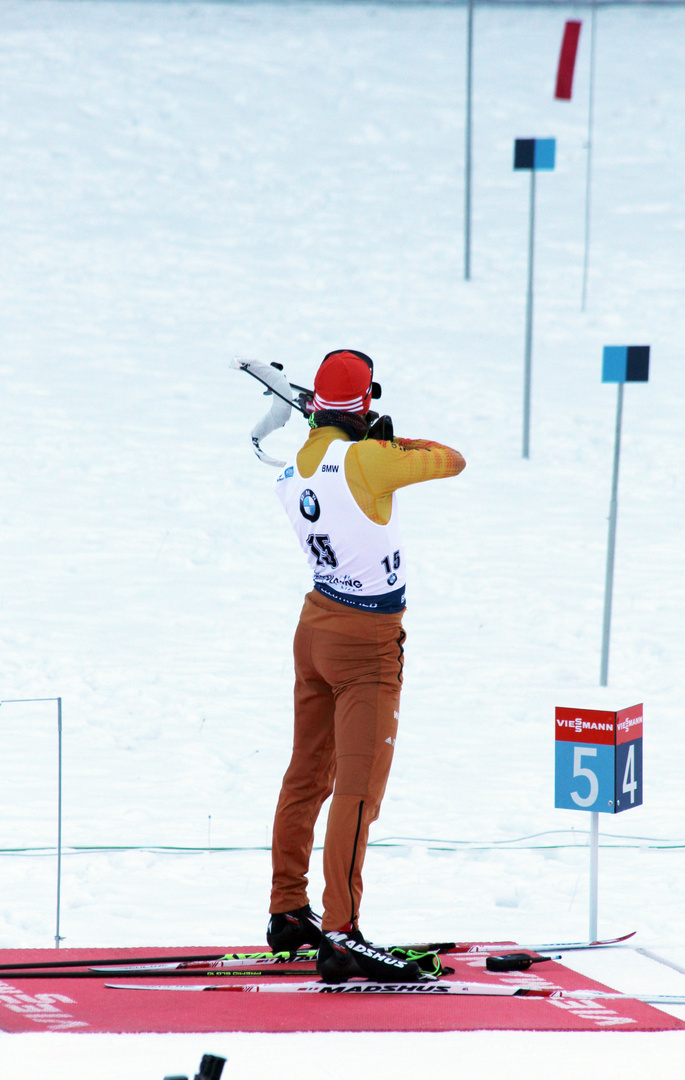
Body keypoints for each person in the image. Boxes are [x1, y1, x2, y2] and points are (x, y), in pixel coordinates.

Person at [267, 349, 466, 982]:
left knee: (306, 774)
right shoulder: (368, 459)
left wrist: (352, 429)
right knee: (357, 790)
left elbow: (328, 454)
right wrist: (386, 437)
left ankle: (288, 910)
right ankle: (342, 932)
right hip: (368, 641)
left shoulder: (295, 464)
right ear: (366, 405)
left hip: (315, 625)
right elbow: (451, 459)